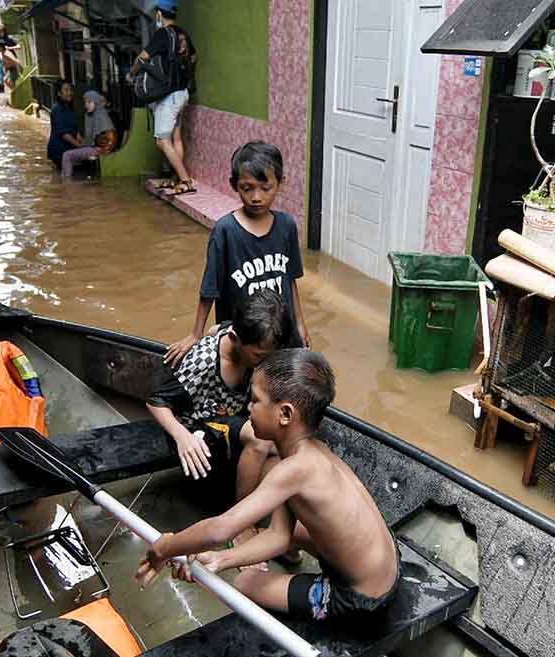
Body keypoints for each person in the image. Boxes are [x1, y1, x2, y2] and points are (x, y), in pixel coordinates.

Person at [137, 349, 402, 623]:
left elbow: (220, 529)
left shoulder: (294, 470)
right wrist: (220, 559)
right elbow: (279, 535)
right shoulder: (312, 451)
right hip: (388, 565)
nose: (248, 408)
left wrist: (165, 547)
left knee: (245, 584)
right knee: (293, 531)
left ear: (285, 414)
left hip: (362, 597)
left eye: (255, 400)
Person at [147, 288, 289, 522]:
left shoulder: (243, 335)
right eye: (259, 356)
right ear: (235, 339)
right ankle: (239, 522)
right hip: (202, 427)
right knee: (261, 439)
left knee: (285, 447)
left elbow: (218, 328)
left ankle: (277, 528)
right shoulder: (203, 362)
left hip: (234, 418)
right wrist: (183, 438)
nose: (266, 363)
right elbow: (155, 402)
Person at [166, 141, 310, 368]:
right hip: (244, 340)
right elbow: (209, 287)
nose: (256, 197)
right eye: (247, 188)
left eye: (265, 188)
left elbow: (291, 279)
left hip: (281, 333)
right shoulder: (226, 231)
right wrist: (196, 334)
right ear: (234, 185)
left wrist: (299, 324)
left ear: (280, 183)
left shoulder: (287, 226)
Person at [126, 0, 197, 196]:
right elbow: (194, 57)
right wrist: (184, 74)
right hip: (183, 94)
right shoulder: (182, 33)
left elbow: (143, 57)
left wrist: (131, 74)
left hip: (170, 97)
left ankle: (185, 181)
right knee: (176, 138)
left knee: (161, 141)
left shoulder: (163, 34)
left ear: (159, 14)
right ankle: (176, 179)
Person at [60, 90, 118, 177]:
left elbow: (112, 138)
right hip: (94, 148)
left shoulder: (102, 116)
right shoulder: (90, 116)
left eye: (89, 102)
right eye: (85, 102)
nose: (86, 105)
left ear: (96, 102)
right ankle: (66, 181)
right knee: (68, 156)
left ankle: (66, 184)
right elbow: (90, 138)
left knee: (67, 155)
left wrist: (103, 150)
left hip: (99, 150)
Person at [47, 81, 81, 169]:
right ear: (59, 93)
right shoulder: (57, 110)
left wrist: (79, 137)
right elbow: (64, 134)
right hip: (59, 150)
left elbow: (74, 128)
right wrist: (80, 146)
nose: (70, 93)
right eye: (66, 90)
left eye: (70, 90)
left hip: (69, 147)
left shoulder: (70, 108)